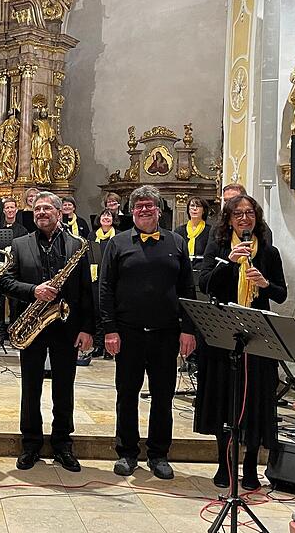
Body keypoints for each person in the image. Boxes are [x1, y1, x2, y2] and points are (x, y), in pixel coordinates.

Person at [98, 185, 196, 480]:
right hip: (128, 333)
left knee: (163, 395)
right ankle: (127, 452)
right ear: (131, 211)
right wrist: (110, 329)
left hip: (166, 333)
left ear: (159, 210)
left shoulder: (176, 242)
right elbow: (105, 288)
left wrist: (188, 330)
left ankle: (158, 454)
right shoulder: (117, 243)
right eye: (139, 206)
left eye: (149, 205)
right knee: (127, 394)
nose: (144, 210)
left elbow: (187, 289)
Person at [196, 194, 287, 490]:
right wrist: (228, 263)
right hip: (225, 335)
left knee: (256, 401)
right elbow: (205, 284)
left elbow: (281, 294)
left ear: (256, 218)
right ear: (229, 220)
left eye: (249, 213)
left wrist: (264, 284)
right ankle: (224, 464)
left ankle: (249, 467)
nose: (244, 219)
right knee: (225, 399)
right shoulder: (218, 247)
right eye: (238, 214)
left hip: (258, 335)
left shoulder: (269, 253)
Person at [1, 191, 94, 471]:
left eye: (46, 208)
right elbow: (6, 282)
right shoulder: (19, 244)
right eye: (37, 209)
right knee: (31, 388)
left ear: (59, 211)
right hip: (32, 326)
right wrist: (34, 290)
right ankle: (30, 444)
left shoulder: (77, 244)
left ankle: (62, 444)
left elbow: (86, 290)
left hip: (66, 326)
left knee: (64, 388)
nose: (41, 212)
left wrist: (87, 328)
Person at [87, 209, 118, 358]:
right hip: (95, 277)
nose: (106, 218)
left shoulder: (118, 236)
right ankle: (98, 345)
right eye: (104, 215)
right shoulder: (92, 235)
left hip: (112, 277)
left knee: (109, 311)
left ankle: (109, 348)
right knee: (97, 311)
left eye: (109, 215)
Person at [174, 197, 211, 268]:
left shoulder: (211, 231)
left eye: (198, 206)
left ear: (203, 211)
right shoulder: (179, 231)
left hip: (202, 269)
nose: (195, 208)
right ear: (188, 210)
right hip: (183, 268)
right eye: (192, 206)